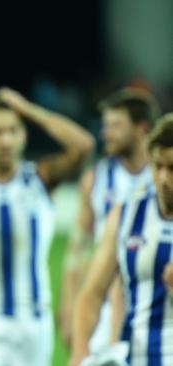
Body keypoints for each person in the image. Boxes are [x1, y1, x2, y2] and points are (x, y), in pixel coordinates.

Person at [0, 88, 95, 366]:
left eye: (13, 130)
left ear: (23, 135)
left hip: (35, 323)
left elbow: (84, 146)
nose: (6, 140)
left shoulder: (40, 179)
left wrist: (29, 109)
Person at [60, 88, 160, 352]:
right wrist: (69, 304)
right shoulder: (97, 178)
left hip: (153, 302)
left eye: (116, 125)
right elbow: (78, 247)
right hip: (103, 305)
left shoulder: (163, 177)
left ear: (141, 128)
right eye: (106, 125)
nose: (106, 133)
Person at [70, 113, 173, 366]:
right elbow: (92, 294)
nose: (163, 179)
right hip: (136, 357)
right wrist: (80, 351)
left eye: (172, 169)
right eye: (157, 166)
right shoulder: (127, 214)